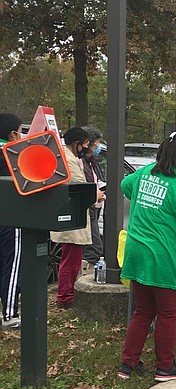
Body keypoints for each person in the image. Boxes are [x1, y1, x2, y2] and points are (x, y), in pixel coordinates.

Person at [118, 129, 176, 382]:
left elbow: (125, 186)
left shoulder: (147, 171)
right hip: (165, 256)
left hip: (136, 251)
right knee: (168, 313)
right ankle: (165, 367)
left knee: (143, 310)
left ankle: (128, 364)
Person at [50, 127, 99, 306]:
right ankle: (65, 296)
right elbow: (78, 185)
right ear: (76, 144)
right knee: (70, 261)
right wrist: (96, 195)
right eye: (85, 144)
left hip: (73, 217)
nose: (87, 148)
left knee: (72, 260)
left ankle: (67, 294)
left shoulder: (70, 158)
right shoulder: (67, 160)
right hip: (71, 218)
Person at [0, 113, 23, 330]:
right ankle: (10, 314)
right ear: (12, 134)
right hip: (11, 218)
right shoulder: (11, 155)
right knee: (13, 264)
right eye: (20, 130)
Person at [81, 126, 106, 271]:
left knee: (94, 246)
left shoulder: (91, 162)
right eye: (97, 143)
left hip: (94, 208)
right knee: (94, 248)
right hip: (89, 208)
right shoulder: (82, 162)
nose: (98, 147)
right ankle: (85, 277)